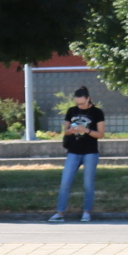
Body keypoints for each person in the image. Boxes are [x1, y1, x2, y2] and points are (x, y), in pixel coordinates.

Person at [50, 87, 106, 223]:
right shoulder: (71, 111)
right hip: (73, 151)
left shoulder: (97, 112)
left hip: (90, 152)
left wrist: (86, 130)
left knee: (88, 183)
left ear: (88, 98)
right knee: (65, 182)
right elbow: (66, 131)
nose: (79, 106)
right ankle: (60, 213)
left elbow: (101, 134)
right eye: (77, 103)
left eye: (82, 103)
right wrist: (72, 130)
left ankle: (87, 212)